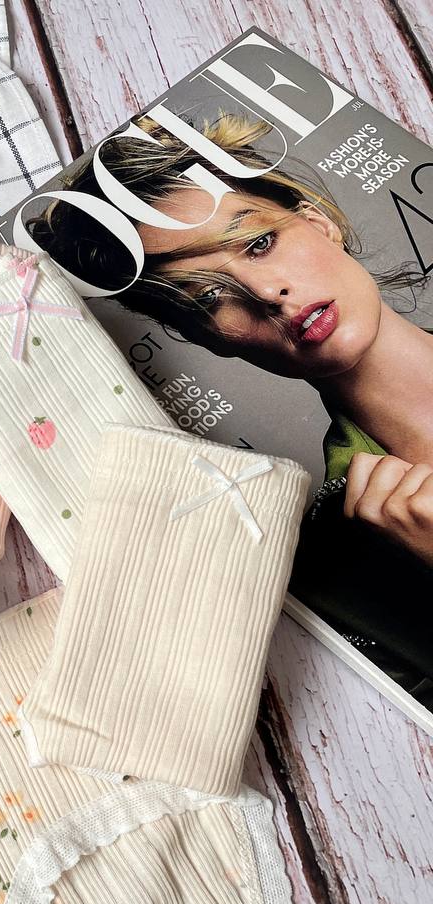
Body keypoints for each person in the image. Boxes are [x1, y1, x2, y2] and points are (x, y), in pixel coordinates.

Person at [28, 114, 433, 708]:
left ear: (317, 222)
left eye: (259, 243)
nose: (267, 293)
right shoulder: (337, 559)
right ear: (206, 337)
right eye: (211, 297)